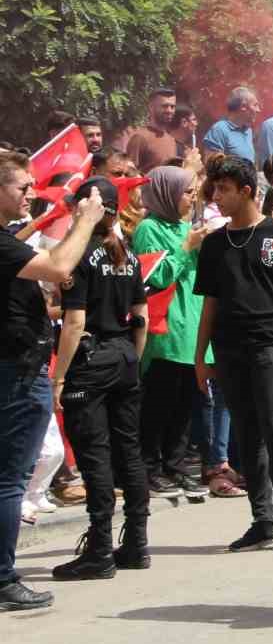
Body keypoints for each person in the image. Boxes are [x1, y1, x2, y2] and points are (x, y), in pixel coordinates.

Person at [192, 156, 273, 553]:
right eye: (215, 188)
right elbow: (209, 303)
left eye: (224, 189)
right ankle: (262, 521)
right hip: (228, 349)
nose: (217, 196)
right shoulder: (213, 242)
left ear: (246, 191)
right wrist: (200, 357)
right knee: (247, 434)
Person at [1, 158, 103, 609]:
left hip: (16, 368)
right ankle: (3, 578)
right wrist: (84, 221)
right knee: (10, 480)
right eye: (22, 186)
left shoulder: (8, 239)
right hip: (15, 373)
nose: (30, 193)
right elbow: (61, 266)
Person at [51, 178, 153, 580]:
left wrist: (59, 378)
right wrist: (131, 358)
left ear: (87, 207)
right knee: (128, 450)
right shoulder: (126, 252)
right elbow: (140, 313)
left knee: (94, 455)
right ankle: (136, 543)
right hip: (124, 356)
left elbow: (74, 321)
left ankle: (98, 549)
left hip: (91, 360)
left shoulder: (80, 254)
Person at [131, 166, 209, 501]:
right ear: (166, 193)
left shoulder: (185, 226)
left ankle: (175, 466)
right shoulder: (149, 228)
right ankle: (151, 467)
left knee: (184, 405)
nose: (192, 198)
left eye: (193, 192)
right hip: (166, 328)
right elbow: (156, 276)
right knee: (159, 404)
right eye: (187, 192)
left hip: (192, 325)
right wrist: (187, 246)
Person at [125, 89, 181, 173]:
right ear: (151, 107)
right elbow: (129, 172)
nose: (169, 110)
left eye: (172, 107)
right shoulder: (140, 138)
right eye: (164, 106)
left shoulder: (171, 140)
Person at [202, 87, 261, 166]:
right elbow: (212, 168)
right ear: (243, 106)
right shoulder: (219, 130)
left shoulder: (248, 130)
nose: (258, 110)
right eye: (255, 105)